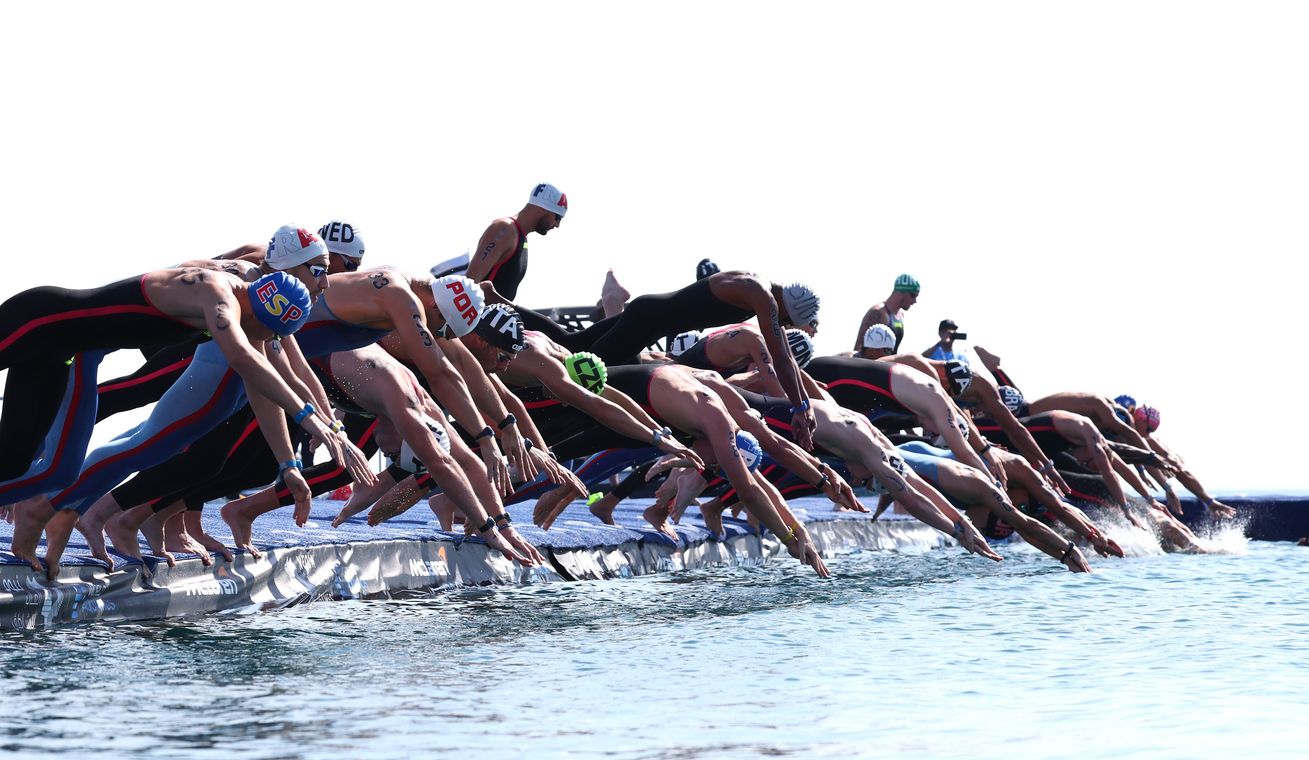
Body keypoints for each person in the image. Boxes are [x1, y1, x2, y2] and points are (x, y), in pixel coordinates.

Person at [506, 270, 822, 449]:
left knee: (571, 346)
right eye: (787, 321)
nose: (782, 326)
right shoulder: (761, 295)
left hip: (647, 317)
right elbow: (781, 354)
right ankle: (517, 396)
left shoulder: (757, 285)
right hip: (646, 322)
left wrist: (802, 401)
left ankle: (501, 303)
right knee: (582, 380)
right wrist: (800, 407)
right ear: (787, 309)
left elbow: (785, 359)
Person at [433, 183, 567, 300]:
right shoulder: (505, 230)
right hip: (480, 325)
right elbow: (469, 284)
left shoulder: (522, 237)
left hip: (496, 323)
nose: (557, 225)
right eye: (558, 217)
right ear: (542, 209)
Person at [1127, 404, 1237, 519]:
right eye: (1149, 429)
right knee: (1170, 461)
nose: (1147, 435)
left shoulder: (1136, 432)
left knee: (1171, 461)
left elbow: (1138, 453)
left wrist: (1142, 470)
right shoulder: (1124, 422)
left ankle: (1209, 501)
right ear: (1140, 419)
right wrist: (1166, 486)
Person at [851, 274, 918, 353]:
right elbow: (859, 349)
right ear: (901, 292)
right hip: (873, 364)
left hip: (887, 364)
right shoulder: (878, 312)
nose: (914, 301)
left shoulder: (901, 315)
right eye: (913, 295)